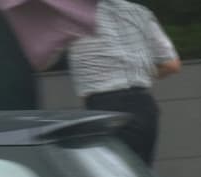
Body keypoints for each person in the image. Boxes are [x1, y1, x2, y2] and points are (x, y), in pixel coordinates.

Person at [67, 0, 181, 166]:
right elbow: (172, 65)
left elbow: (42, 60)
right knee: (140, 174)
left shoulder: (71, 16)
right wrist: (138, 72)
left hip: (104, 108)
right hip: (144, 106)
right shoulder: (141, 13)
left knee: (114, 174)